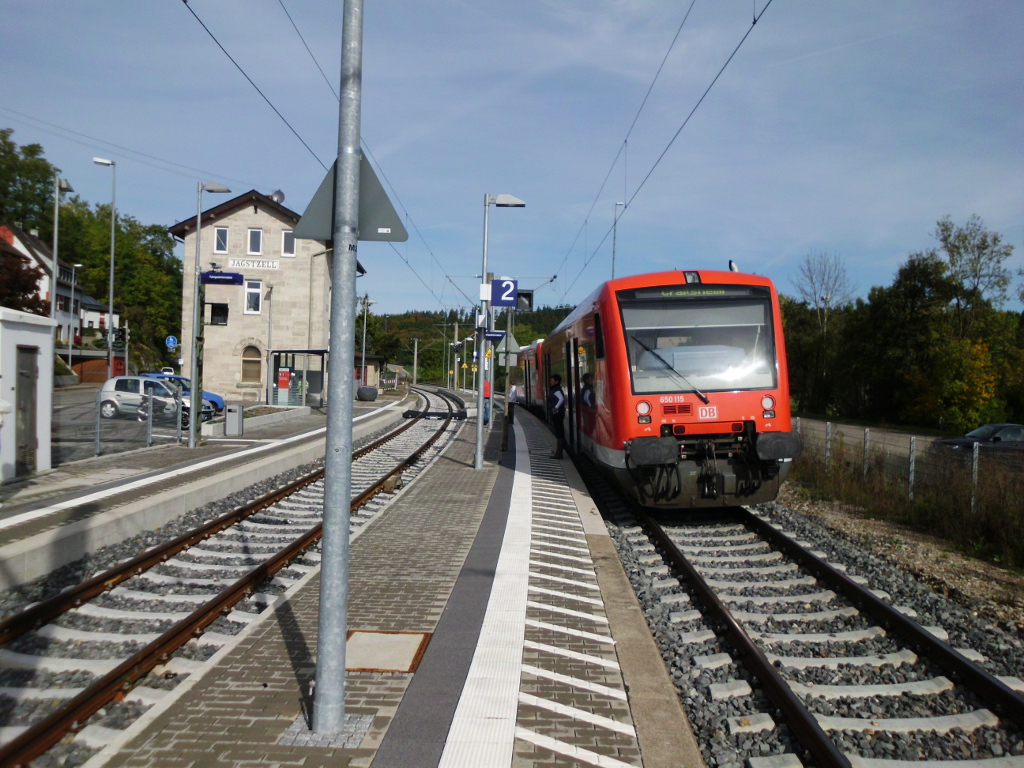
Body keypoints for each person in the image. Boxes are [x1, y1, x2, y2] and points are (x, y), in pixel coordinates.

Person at [547, 373, 566, 459]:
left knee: (559, 432)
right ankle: (558, 452)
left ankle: (559, 453)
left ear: (556, 382)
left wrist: (556, 407)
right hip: (557, 413)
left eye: (552, 381)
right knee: (558, 432)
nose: (550, 382)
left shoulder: (557, 390)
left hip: (557, 414)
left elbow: (561, 399)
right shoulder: (555, 389)